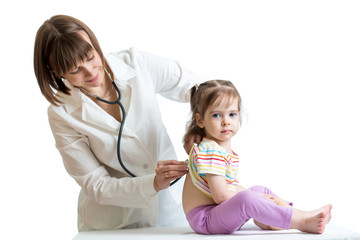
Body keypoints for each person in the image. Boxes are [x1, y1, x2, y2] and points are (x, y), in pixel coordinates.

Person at [33, 15, 205, 231]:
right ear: (55, 73)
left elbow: (201, 89)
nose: (90, 71)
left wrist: (198, 128)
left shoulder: (136, 63)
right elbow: (96, 184)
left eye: (90, 56)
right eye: (75, 70)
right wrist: (152, 183)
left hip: (172, 207)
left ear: (95, 43)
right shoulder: (61, 113)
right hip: (112, 222)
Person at [182, 80, 332, 234]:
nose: (226, 122)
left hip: (217, 211)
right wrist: (255, 197)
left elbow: (230, 186)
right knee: (248, 198)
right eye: (216, 115)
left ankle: (287, 216)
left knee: (261, 190)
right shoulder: (210, 150)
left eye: (232, 114)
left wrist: (260, 196)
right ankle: (301, 220)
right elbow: (221, 196)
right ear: (200, 120)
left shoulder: (219, 149)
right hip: (205, 218)